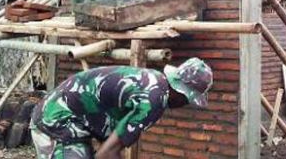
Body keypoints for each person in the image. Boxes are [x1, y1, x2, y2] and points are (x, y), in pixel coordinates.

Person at [30, 57, 212, 159]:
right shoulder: (153, 102)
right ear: (181, 92)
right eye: (189, 99)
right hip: (55, 122)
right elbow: (106, 153)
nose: (185, 105)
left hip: (68, 121)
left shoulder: (155, 81)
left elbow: (109, 144)